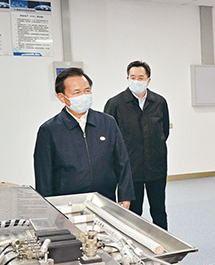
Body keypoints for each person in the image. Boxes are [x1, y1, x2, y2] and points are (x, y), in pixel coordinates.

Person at [34, 67, 134, 207]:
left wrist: (125, 195)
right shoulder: (49, 130)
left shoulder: (107, 122)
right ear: (62, 97)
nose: (83, 95)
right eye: (77, 92)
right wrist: (49, 207)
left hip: (105, 200)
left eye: (87, 90)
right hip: (67, 204)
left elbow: (122, 161)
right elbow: (44, 175)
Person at [104, 61, 170, 230]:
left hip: (156, 167)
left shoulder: (159, 102)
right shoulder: (115, 104)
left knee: (159, 211)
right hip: (130, 170)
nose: (137, 81)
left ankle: (162, 243)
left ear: (148, 80)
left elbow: (164, 132)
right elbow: (110, 138)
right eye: (133, 77)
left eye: (141, 77)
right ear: (127, 78)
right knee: (133, 213)